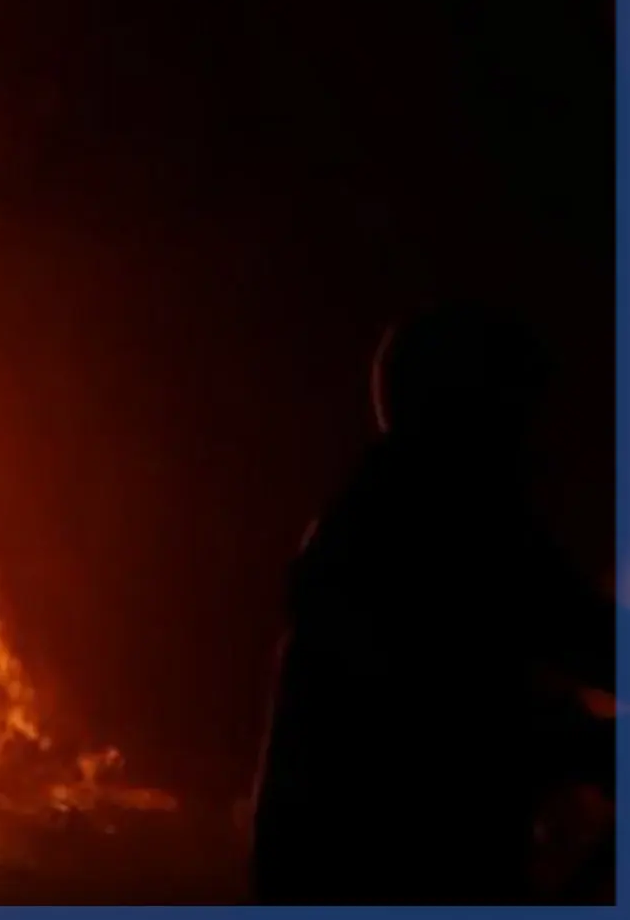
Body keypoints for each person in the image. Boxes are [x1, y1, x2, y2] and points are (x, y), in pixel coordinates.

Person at [250, 302, 615, 904]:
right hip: (374, 873)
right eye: (521, 408)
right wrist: (586, 745)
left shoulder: (385, 509)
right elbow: (450, 718)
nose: (540, 440)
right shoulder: (436, 522)